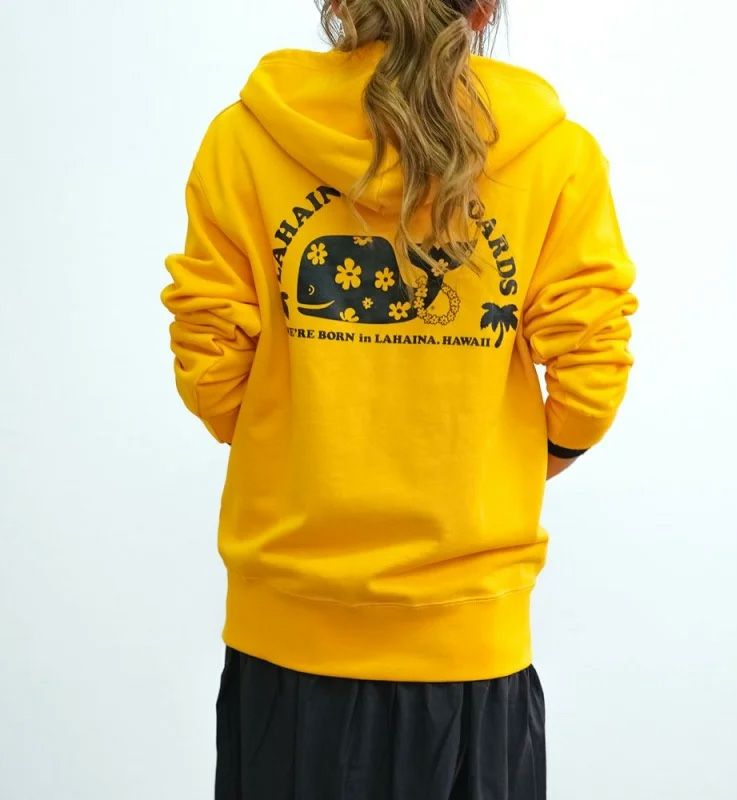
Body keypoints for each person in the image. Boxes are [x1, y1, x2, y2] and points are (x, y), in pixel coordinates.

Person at [159, 0, 638, 797]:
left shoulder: (247, 139)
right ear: (485, 8)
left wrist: (306, 437)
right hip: (471, 651)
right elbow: (592, 376)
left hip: (288, 652)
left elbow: (209, 365)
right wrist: (516, 459)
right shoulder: (554, 154)